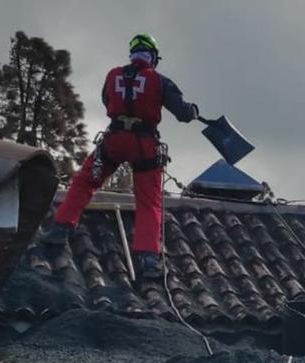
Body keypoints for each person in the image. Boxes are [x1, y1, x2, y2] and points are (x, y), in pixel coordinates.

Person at [41, 33, 200, 278]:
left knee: (85, 181)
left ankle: (59, 229)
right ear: (153, 57)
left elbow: (107, 103)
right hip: (144, 145)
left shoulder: (113, 75)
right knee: (148, 202)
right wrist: (192, 111)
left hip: (114, 140)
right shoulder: (159, 81)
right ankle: (148, 260)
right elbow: (182, 113)